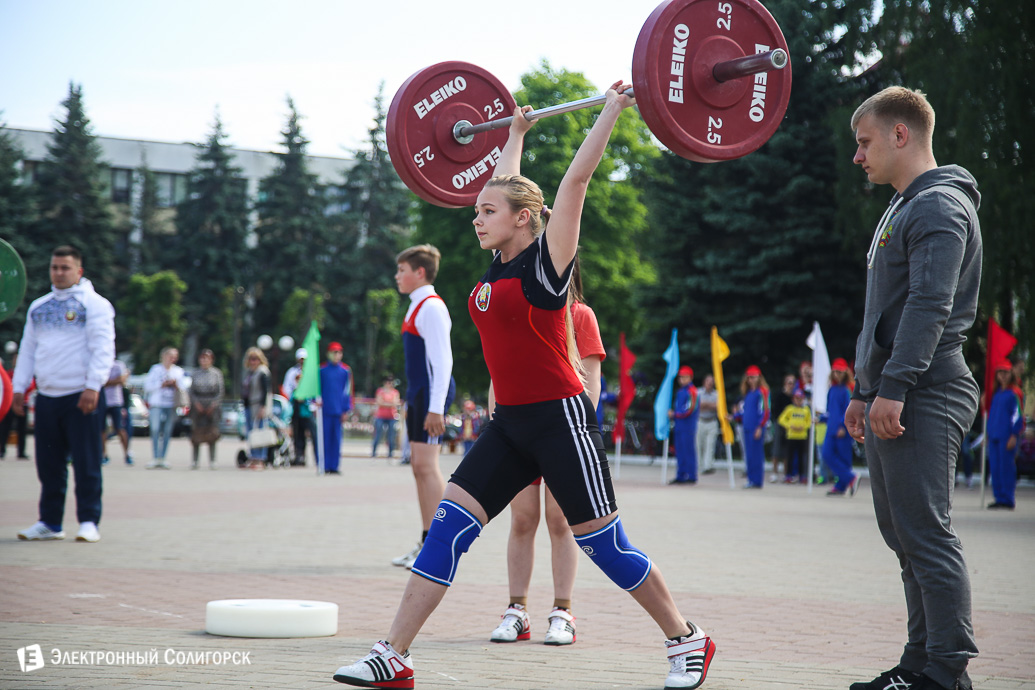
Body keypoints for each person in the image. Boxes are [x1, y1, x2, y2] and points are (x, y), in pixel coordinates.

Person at [333, 83, 715, 690]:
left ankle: (686, 638)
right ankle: (393, 654)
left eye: (487, 212)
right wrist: (513, 135)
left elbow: (572, 187)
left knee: (606, 546)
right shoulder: (498, 263)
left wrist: (613, 111)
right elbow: (508, 188)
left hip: (561, 421)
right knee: (448, 529)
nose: (477, 217)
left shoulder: (546, 266)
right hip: (509, 423)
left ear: (524, 220)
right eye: (478, 209)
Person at [845, 86, 983, 690]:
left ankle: (946, 675)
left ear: (901, 135)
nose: (858, 156)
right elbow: (886, 310)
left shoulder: (936, 206)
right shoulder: (904, 205)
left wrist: (894, 387)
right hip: (898, 389)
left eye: (865, 141)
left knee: (925, 532)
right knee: (903, 534)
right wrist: (862, 390)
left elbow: (931, 304)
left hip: (927, 389)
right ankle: (918, 664)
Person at [489, 255, 604, 647]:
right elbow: (498, 372)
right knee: (522, 520)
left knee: (561, 522)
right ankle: (517, 610)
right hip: (517, 431)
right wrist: (496, 424)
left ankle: (562, 611)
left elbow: (590, 383)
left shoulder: (580, 315)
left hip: (561, 432)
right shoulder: (517, 304)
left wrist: (577, 433)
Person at [13, 245, 115, 543]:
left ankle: (88, 521)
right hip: (47, 396)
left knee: (87, 462)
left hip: (81, 395)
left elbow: (103, 348)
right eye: (54, 267)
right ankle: (50, 522)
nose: (58, 273)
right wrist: (19, 387)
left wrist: (93, 385)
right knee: (48, 464)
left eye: (65, 268)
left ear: (79, 271)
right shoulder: (39, 307)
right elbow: (28, 349)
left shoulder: (94, 305)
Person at [390, 244, 456, 569]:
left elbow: (443, 362)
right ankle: (427, 539)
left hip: (432, 395)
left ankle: (442, 545)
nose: (397, 276)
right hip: (419, 394)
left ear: (420, 272)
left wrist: (436, 408)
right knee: (419, 468)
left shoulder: (431, 307)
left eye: (402, 270)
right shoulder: (416, 306)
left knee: (428, 468)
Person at [144, 347, 188, 469]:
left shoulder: (178, 371)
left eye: (175, 356)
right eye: (170, 355)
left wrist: (175, 384)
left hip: (171, 405)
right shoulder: (155, 369)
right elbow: (147, 386)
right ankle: (155, 457)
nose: (173, 359)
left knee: (167, 431)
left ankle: (163, 458)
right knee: (155, 429)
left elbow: (183, 387)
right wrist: (161, 384)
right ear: (164, 356)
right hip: (157, 404)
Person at [986, 361, 1022, 510]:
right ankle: (999, 497)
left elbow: (1017, 415)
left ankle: (1008, 498)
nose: (1003, 376)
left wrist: (1014, 435)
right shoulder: (996, 393)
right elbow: (991, 415)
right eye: (1000, 373)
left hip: (1006, 436)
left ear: (1011, 374)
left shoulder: (1014, 393)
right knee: (995, 467)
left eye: (1006, 373)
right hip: (994, 435)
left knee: (1006, 468)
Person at [821, 358, 859, 496]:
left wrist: (843, 425)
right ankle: (849, 477)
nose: (837, 374)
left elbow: (849, 409)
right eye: (835, 371)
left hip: (843, 429)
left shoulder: (848, 389)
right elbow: (830, 410)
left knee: (844, 457)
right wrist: (821, 418)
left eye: (840, 371)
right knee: (826, 454)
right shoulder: (832, 389)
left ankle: (841, 485)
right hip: (831, 428)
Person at [318, 341, 352, 475]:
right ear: (328, 353)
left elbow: (347, 392)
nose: (337, 355)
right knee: (325, 438)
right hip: (325, 410)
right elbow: (317, 390)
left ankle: (334, 466)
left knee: (336, 439)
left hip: (338, 410)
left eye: (339, 352)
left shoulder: (345, 371)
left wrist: (346, 409)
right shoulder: (321, 370)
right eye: (334, 352)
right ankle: (324, 465)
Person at [189, 349, 223, 470]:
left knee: (212, 433)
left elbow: (220, 392)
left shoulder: (216, 374)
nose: (204, 361)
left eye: (207, 358)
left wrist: (213, 405)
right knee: (196, 433)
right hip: (198, 406)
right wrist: (196, 404)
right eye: (202, 358)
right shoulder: (195, 373)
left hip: (212, 406)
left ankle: (213, 460)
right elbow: (191, 391)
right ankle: (195, 460)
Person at [241, 346, 272, 470]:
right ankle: (253, 456)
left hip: (259, 404)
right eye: (251, 359)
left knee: (260, 432)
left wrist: (263, 407)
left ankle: (261, 458)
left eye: (256, 359)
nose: (253, 361)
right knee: (251, 433)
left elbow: (266, 391)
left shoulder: (262, 372)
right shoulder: (249, 372)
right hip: (249, 405)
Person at [739, 365, 769, 489]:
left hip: (756, 428)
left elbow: (765, 411)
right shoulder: (748, 393)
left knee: (756, 455)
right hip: (746, 427)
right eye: (749, 377)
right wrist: (734, 416)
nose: (751, 380)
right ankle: (751, 479)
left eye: (754, 377)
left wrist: (760, 426)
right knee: (749, 455)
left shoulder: (762, 392)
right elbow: (746, 411)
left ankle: (757, 480)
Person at [284, 348, 314, 466]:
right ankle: (298, 455)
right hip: (296, 405)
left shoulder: (310, 372)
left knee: (310, 431)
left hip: (307, 407)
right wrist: (295, 395)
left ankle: (310, 456)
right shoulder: (292, 372)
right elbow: (287, 388)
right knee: (297, 432)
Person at [669, 366, 699, 485]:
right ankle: (681, 474)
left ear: (690, 378)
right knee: (679, 451)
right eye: (681, 377)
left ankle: (691, 475)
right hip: (679, 426)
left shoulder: (692, 391)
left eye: (685, 377)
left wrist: (675, 414)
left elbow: (689, 409)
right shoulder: (680, 391)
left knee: (688, 451)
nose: (682, 379)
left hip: (688, 426)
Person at [101, 358, 132, 466]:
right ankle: (104, 455)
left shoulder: (119, 365)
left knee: (120, 429)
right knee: (102, 430)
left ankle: (127, 454)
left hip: (116, 402)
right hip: (102, 401)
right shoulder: (100, 363)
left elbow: (122, 380)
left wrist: (106, 381)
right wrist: (114, 380)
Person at [776, 387, 810, 483]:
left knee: (801, 457)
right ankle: (788, 475)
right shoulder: (789, 409)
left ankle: (802, 475)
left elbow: (809, 421)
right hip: (791, 436)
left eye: (800, 399)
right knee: (790, 456)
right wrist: (789, 426)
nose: (798, 401)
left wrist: (803, 427)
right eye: (797, 399)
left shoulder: (806, 410)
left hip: (802, 436)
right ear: (793, 399)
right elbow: (781, 419)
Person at [0, 352, 31, 460]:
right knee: (5, 428)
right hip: (9, 404)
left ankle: (21, 452)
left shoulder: (27, 375)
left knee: (22, 430)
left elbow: (31, 386)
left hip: (23, 404)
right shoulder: (9, 373)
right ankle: (1, 450)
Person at [768, 374, 795, 483]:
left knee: (787, 451)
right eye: (789, 382)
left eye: (793, 383)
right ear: (785, 383)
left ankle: (786, 473)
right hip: (779, 424)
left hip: (791, 426)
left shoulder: (794, 397)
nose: (791, 385)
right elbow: (775, 411)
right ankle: (774, 473)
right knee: (776, 449)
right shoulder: (779, 395)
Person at [695, 374, 719, 475]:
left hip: (711, 421)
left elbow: (718, 407)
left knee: (710, 444)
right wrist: (710, 405)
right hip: (700, 420)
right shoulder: (698, 392)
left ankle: (708, 466)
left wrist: (705, 404)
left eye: (712, 381)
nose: (710, 383)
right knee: (698, 444)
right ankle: (699, 466)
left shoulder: (717, 394)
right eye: (708, 381)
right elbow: (697, 406)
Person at [372, 376, 401, 459]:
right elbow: (379, 402)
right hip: (380, 416)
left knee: (391, 436)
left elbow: (395, 403)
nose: (389, 384)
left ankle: (390, 453)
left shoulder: (395, 392)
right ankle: (374, 452)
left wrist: (385, 403)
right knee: (378, 435)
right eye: (388, 382)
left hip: (391, 416)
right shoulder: (380, 391)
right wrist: (390, 404)